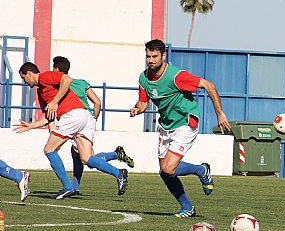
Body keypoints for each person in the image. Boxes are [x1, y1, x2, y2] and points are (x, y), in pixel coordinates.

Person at [129, 40, 232, 218]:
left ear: (163, 56)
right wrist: (137, 109)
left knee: (169, 169)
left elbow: (209, 85)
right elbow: (143, 103)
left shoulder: (176, 76)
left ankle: (201, 170)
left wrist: (220, 113)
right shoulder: (143, 78)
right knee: (164, 172)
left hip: (186, 121)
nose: (151, 60)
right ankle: (188, 208)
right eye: (148, 56)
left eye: (154, 56)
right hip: (166, 125)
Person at [14, 62, 128, 199]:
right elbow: (49, 117)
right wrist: (31, 126)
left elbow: (67, 79)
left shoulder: (44, 77)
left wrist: (55, 101)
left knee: (49, 149)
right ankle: (119, 174)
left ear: (29, 73)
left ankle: (68, 187)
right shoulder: (41, 91)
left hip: (72, 115)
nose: (24, 82)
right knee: (86, 158)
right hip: (85, 116)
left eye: (24, 78)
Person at [51, 56, 135, 193]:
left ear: (56, 69)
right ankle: (75, 187)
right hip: (87, 118)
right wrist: (93, 119)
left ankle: (117, 168)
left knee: (87, 159)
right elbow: (97, 103)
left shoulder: (60, 86)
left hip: (75, 120)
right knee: (77, 153)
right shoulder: (81, 83)